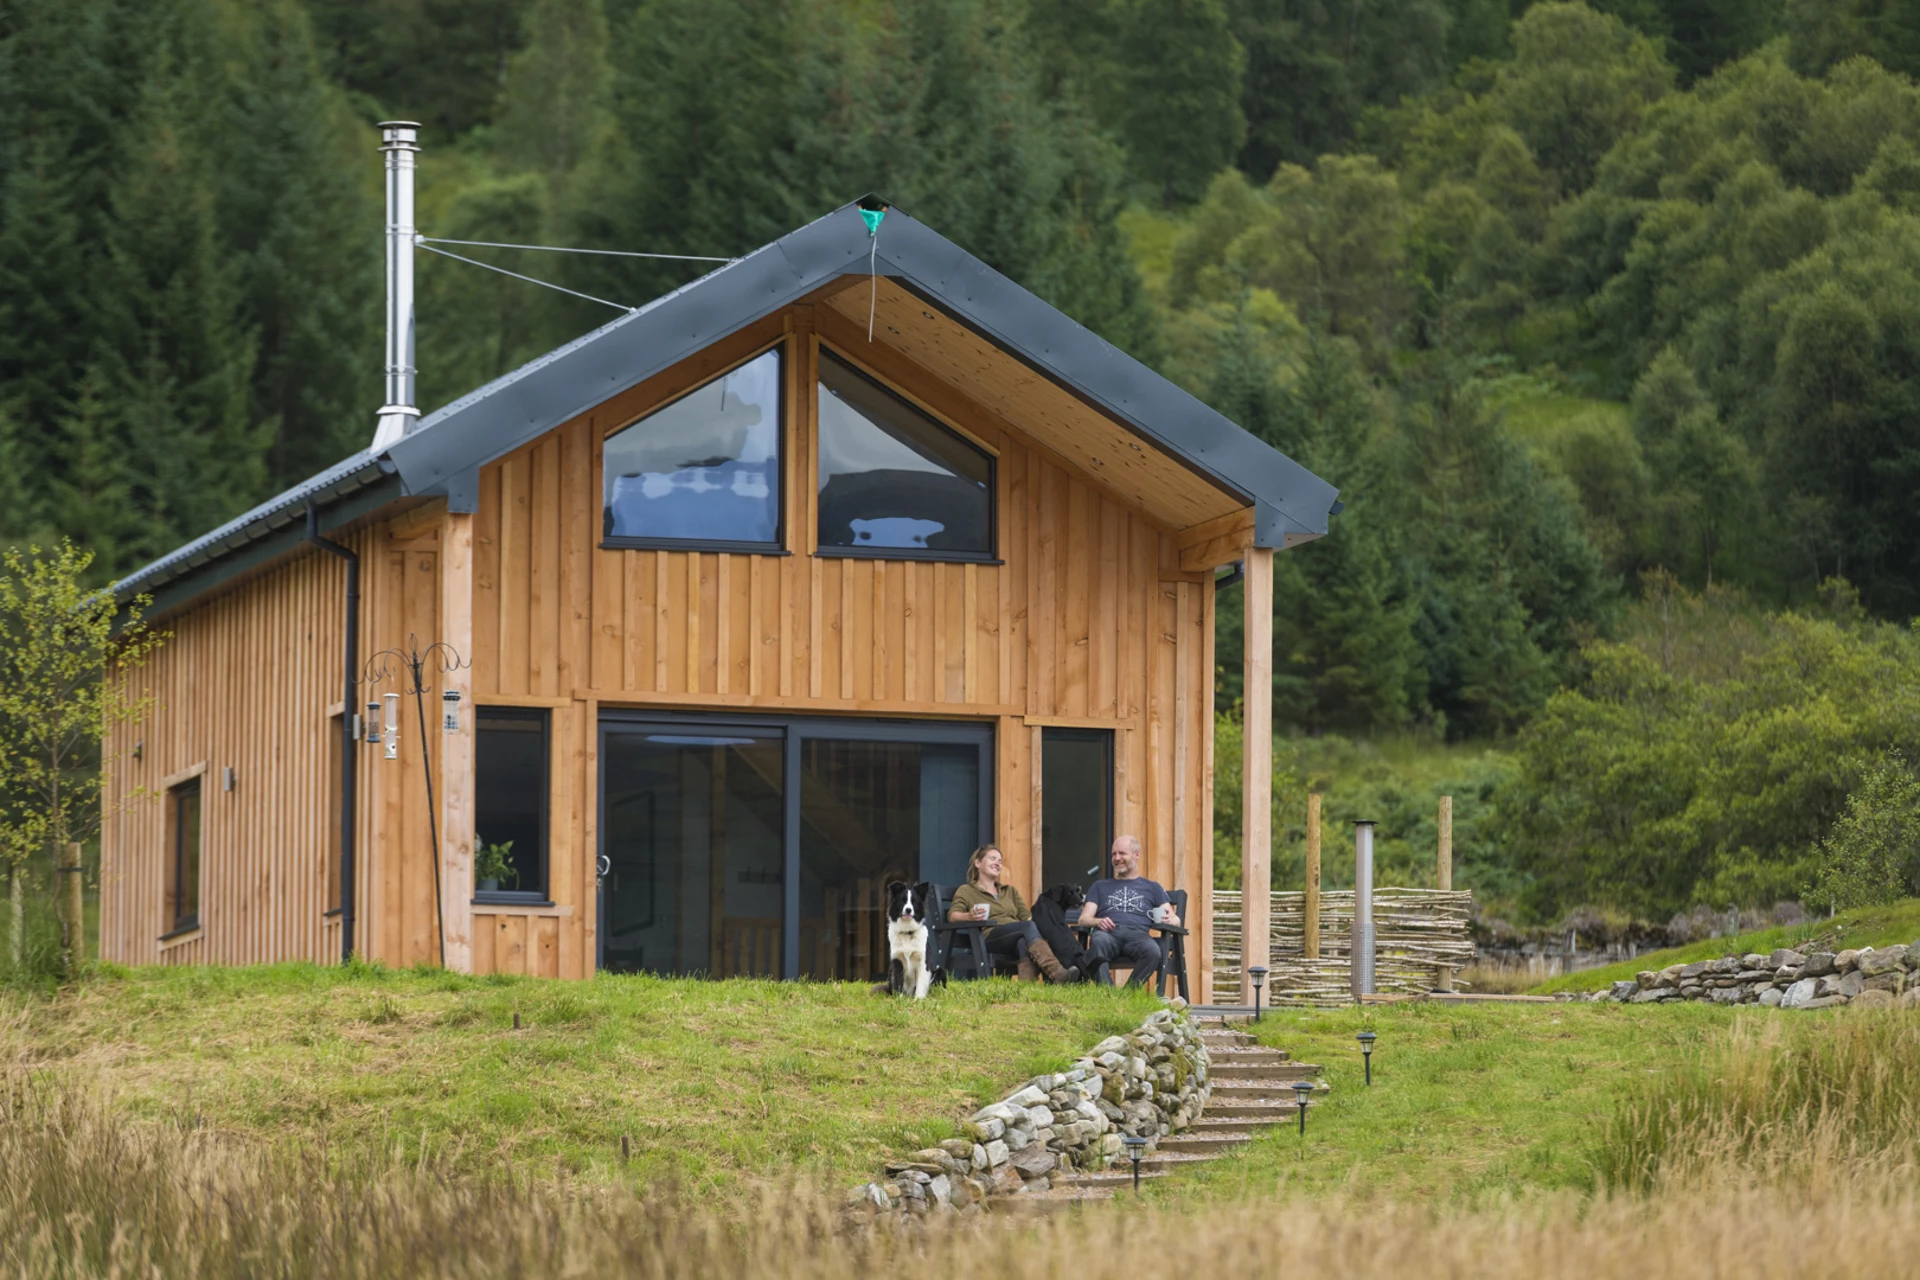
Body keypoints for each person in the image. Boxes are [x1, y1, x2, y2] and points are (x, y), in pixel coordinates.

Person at [948, 845, 1074, 983]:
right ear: (978, 863)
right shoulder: (967, 890)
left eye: (1000, 861)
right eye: (992, 858)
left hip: (1016, 935)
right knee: (1027, 928)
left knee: (1023, 942)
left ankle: (1027, 988)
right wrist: (969, 917)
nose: (997, 863)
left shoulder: (1010, 891)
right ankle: (1056, 972)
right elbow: (952, 916)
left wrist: (1049, 926)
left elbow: (1027, 916)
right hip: (989, 937)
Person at [1077, 835, 1177, 987]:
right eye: (1113, 854)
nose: (1117, 858)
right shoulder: (1099, 886)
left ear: (1136, 855)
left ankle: (1127, 996)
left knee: (1153, 951)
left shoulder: (1152, 887)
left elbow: (1174, 919)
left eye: (1122, 853)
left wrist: (1171, 920)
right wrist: (1097, 921)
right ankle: (1107, 994)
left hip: (1138, 936)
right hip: (1108, 934)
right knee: (1097, 943)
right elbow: (1083, 919)